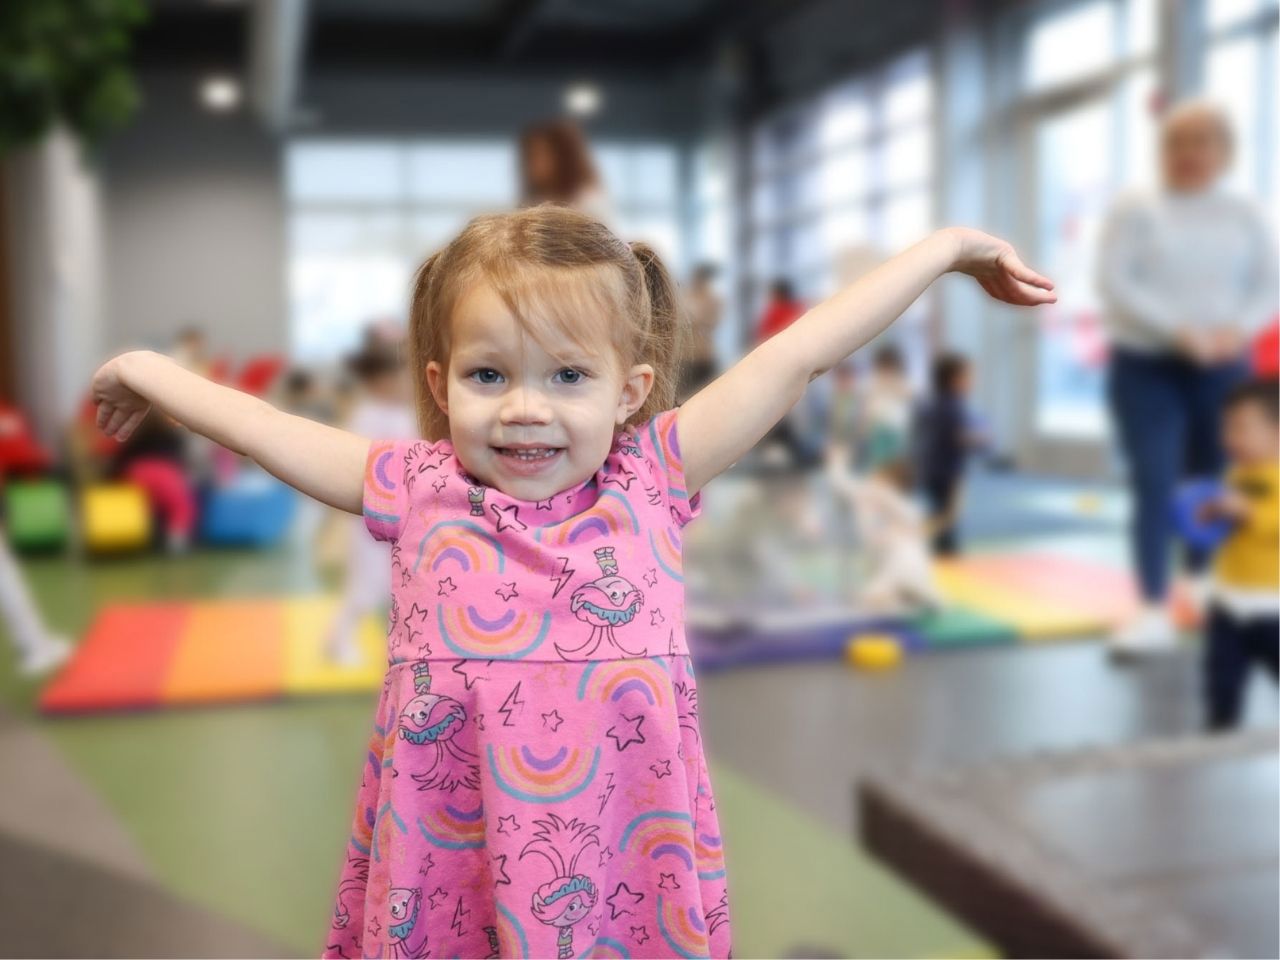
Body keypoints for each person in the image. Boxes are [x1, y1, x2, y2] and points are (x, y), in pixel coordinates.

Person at [90, 205, 1053, 958]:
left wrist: (947, 250)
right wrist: (147, 370)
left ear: (628, 391)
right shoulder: (415, 487)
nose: (524, 410)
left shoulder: (653, 477)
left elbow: (800, 354)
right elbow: (265, 428)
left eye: (566, 377)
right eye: (488, 376)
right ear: (441, 384)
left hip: (621, 866)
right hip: (453, 869)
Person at [1099, 99, 1278, 654]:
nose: (1188, 153)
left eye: (1202, 142)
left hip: (1223, 364)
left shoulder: (1246, 210)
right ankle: (1153, 607)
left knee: (1218, 476)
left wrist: (1236, 331)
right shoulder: (1136, 206)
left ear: (1225, 151)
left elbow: (1269, 284)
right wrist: (1177, 332)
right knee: (1154, 480)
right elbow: (1115, 281)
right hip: (1146, 364)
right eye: (1176, 142)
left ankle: (1203, 585)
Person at [324, 337, 417, 665]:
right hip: (375, 515)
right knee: (367, 584)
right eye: (401, 379)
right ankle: (338, 639)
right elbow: (365, 463)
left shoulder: (402, 413)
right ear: (381, 382)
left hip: (402, 515)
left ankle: (393, 644)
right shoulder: (368, 415)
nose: (407, 386)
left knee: (398, 585)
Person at [1199, 379, 1279, 730]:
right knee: (1221, 683)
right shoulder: (1233, 474)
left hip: (1273, 608)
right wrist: (1208, 514)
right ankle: (1221, 733)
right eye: (1226, 428)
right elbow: (1225, 527)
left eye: (1241, 428)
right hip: (1229, 603)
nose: (1229, 438)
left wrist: (1249, 512)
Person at [914, 353, 977, 555]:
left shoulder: (935, 403)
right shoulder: (953, 406)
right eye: (967, 376)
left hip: (933, 469)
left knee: (944, 514)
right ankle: (918, 538)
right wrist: (980, 438)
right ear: (954, 380)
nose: (971, 382)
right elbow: (959, 436)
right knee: (948, 516)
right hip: (948, 471)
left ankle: (939, 547)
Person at [518, 119, 611, 222]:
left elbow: (605, 230)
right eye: (530, 155)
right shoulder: (532, 202)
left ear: (563, 157)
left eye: (540, 155)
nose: (533, 163)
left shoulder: (588, 201)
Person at [679, 263, 723, 400]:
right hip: (686, 355)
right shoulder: (685, 296)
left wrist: (699, 316)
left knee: (708, 394)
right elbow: (679, 320)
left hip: (704, 355)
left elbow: (713, 323)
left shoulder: (713, 300)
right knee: (685, 396)